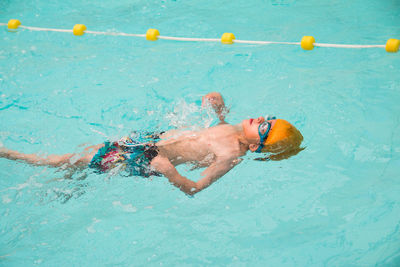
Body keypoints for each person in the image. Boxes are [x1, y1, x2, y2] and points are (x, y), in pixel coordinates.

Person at [0, 92, 303, 195]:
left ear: (255, 146)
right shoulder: (231, 128)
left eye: (265, 126)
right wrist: (217, 105)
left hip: (146, 158)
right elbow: (220, 119)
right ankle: (68, 187)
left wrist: (169, 172)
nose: (261, 117)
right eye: (269, 117)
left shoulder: (229, 156)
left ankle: (11, 155)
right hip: (148, 141)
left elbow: (195, 188)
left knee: (71, 158)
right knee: (81, 163)